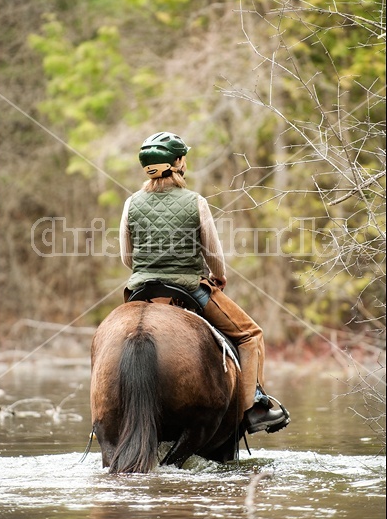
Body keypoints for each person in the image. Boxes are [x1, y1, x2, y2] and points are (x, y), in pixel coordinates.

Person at [119, 131, 290, 435]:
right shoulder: (195, 201)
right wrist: (219, 275)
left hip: (141, 290)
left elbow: (125, 257)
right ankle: (253, 410)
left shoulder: (131, 203)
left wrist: (150, 268)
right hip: (187, 288)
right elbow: (213, 253)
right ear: (178, 163)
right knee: (251, 335)